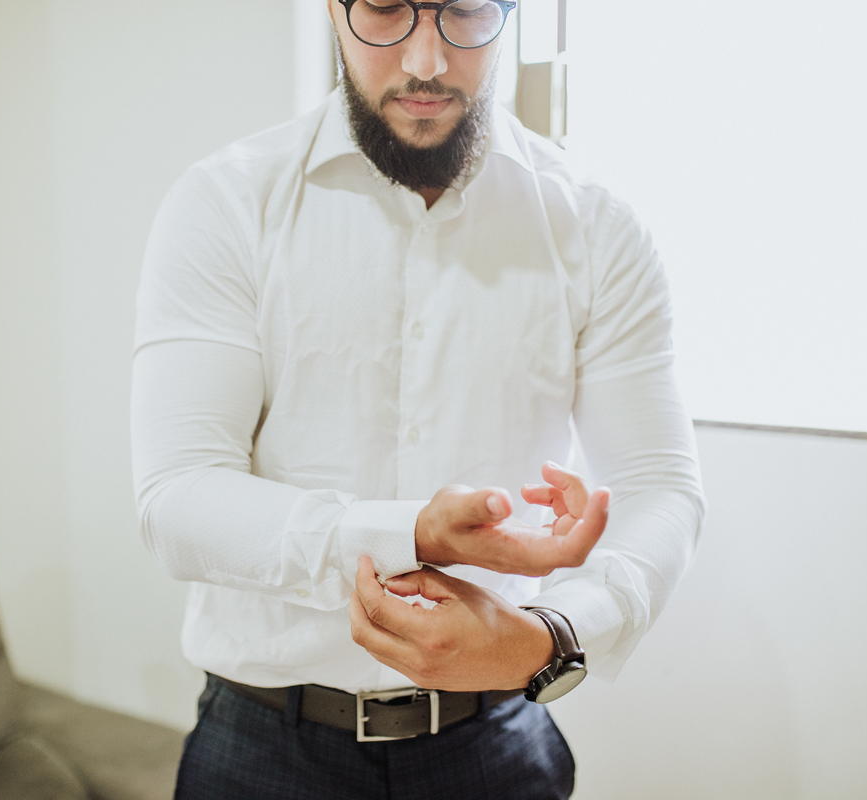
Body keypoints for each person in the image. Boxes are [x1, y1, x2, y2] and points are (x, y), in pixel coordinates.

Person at [131, 1, 705, 797]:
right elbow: (177, 497)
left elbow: (659, 485)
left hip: (498, 736)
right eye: (386, 8)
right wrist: (410, 534)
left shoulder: (596, 227)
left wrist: (549, 636)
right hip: (264, 747)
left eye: (464, 9)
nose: (427, 60)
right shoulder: (225, 202)